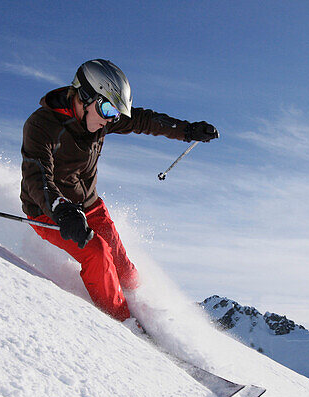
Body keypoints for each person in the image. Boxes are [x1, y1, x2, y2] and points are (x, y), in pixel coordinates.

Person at [20, 59, 218, 322]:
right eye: (106, 108)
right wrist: (62, 210)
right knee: (96, 252)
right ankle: (124, 327)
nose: (110, 119)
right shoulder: (41, 125)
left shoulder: (102, 118)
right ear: (85, 95)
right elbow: (37, 176)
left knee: (125, 271)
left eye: (115, 113)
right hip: (48, 211)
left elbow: (145, 120)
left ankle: (144, 309)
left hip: (89, 205)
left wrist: (186, 130)